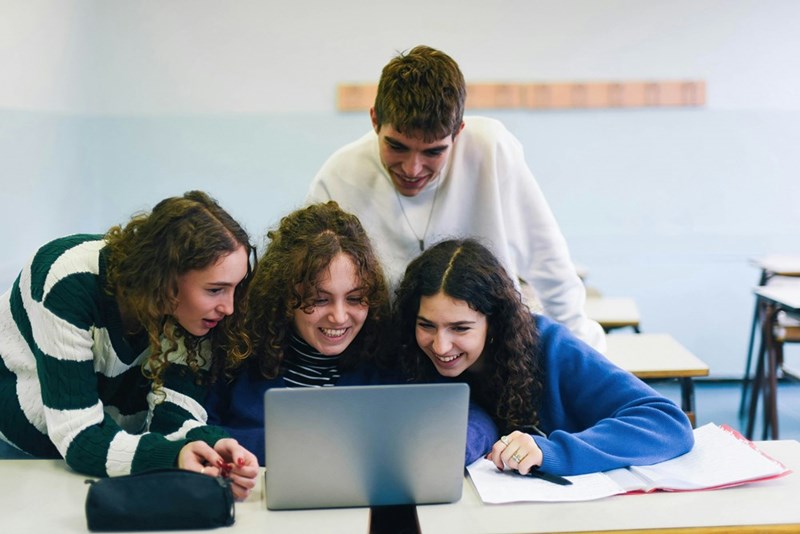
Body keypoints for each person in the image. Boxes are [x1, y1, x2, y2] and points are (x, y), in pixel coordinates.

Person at [307, 44, 606, 352]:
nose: (412, 168)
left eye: (433, 151)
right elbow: (309, 284)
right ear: (374, 121)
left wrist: (580, 351)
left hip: (491, 348)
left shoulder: (491, 149)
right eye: (397, 147)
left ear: (459, 131)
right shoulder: (339, 176)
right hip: (392, 354)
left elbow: (547, 259)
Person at [0, 191, 258, 500]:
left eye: (235, 288)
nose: (229, 307)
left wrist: (211, 446)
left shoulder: (195, 314)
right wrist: (171, 457)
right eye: (216, 290)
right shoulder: (68, 281)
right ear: (164, 279)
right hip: (22, 457)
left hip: (104, 456)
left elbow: (172, 414)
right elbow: (79, 434)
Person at [204, 202, 498, 465]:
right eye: (319, 300)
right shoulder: (238, 354)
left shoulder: (391, 358)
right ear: (283, 296)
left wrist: (452, 445)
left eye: (356, 298)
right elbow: (198, 429)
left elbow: (473, 416)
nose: (340, 317)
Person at [393, 238, 694, 476]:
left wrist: (551, 451)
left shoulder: (550, 347)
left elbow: (667, 422)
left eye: (460, 328)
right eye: (426, 325)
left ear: (494, 321)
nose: (441, 346)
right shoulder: (412, 356)